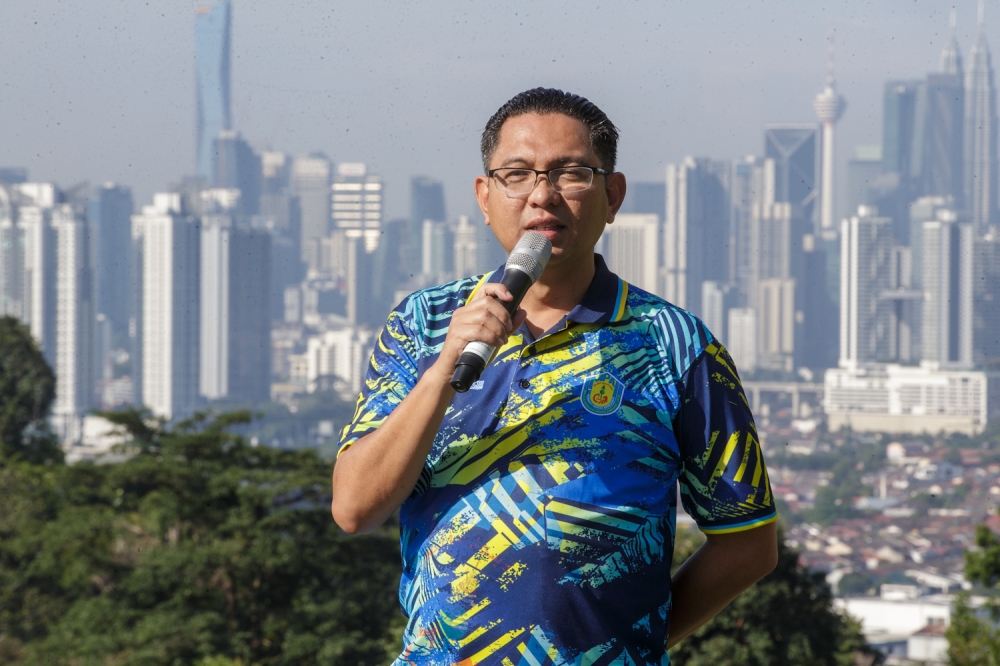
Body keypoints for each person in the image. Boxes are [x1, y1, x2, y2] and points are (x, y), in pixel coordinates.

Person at [332, 88, 778, 665]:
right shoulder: (424, 322)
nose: (542, 196)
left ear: (612, 195)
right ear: (484, 196)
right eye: (516, 174)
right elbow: (354, 507)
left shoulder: (674, 342)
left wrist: (632, 644)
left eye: (571, 174)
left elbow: (748, 543)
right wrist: (447, 366)